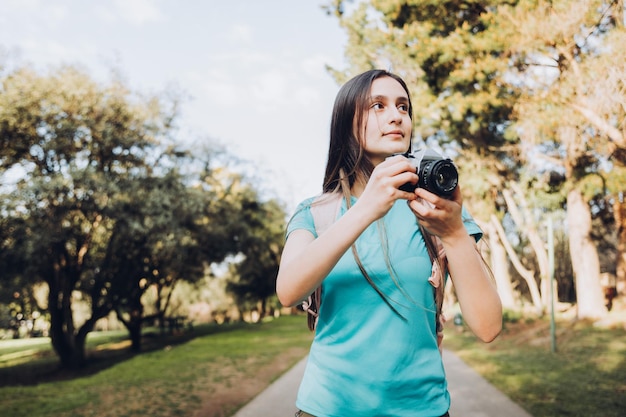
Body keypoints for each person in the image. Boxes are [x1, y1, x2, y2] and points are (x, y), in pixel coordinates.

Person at [276, 69, 502, 417]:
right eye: (377, 106)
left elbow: (488, 328)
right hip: (327, 408)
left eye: (403, 106)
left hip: (424, 409)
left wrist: (455, 234)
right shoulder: (314, 213)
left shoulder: (437, 212)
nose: (396, 115)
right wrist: (366, 208)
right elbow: (288, 291)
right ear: (345, 122)